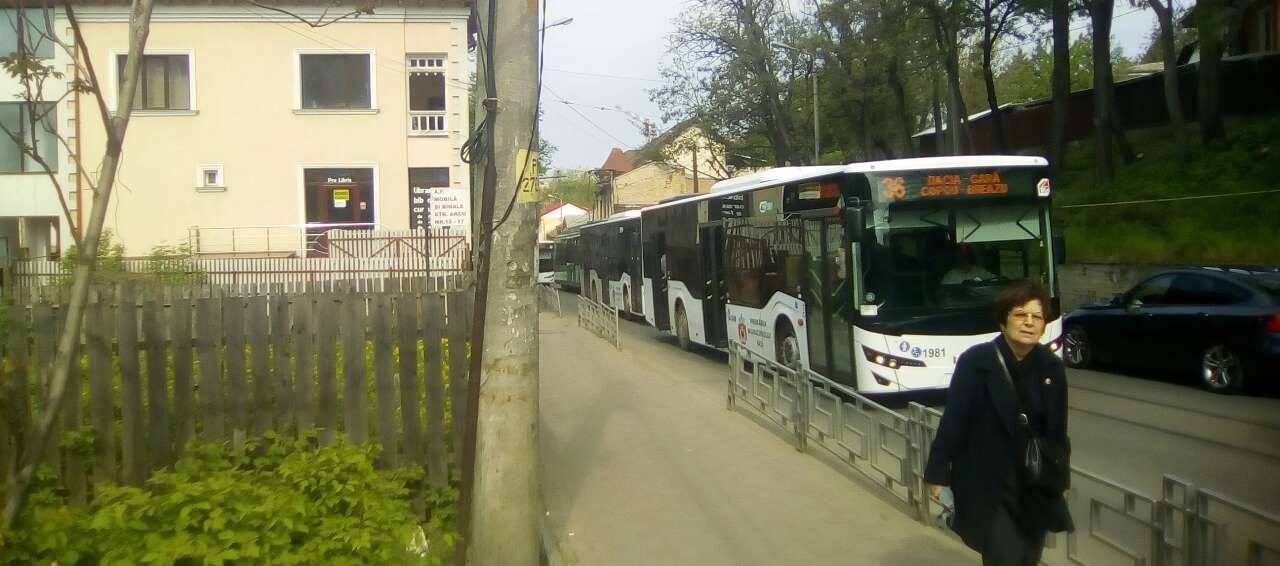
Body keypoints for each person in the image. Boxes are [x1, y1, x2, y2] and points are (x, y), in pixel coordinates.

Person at [924, 280, 1074, 566]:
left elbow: (1057, 431)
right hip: (988, 484)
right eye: (1020, 315)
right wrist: (937, 472)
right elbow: (954, 420)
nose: (1029, 323)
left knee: (1027, 556)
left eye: (1037, 317)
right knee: (1003, 556)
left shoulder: (1051, 368)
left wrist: (1060, 479)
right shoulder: (976, 362)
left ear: (1044, 326)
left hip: (1033, 484)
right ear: (1003, 321)